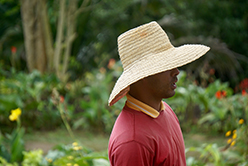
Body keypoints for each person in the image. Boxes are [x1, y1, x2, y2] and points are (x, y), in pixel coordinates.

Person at [108, 21, 210, 166]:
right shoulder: (133, 140)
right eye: (166, 66)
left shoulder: (165, 110)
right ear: (143, 75)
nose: (176, 71)